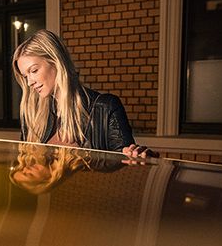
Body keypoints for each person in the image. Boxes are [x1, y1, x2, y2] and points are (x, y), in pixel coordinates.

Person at [12, 29, 158, 160]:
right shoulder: (33, 115)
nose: (30, 82)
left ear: (56, 61)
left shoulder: (106, 108)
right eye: (25, 76)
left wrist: (139, 156)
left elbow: (126, 163)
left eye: (34, 70)